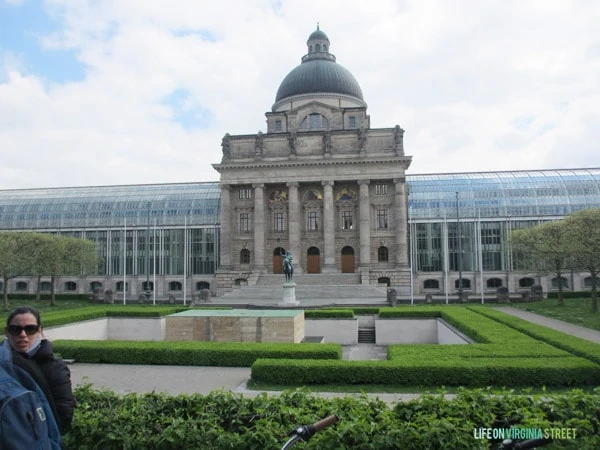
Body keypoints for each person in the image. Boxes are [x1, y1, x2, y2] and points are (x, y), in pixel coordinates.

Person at [3, 306, 75, 434]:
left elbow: (63, 418)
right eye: (16, 329)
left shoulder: (55, 367)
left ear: (39, 330)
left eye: (30, 329)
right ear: (6, 331)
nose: (23, 335)